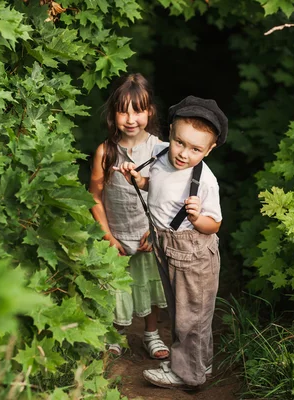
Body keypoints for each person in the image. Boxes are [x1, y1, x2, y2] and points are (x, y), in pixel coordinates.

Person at [115, 95, 227, 390]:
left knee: (192, 315)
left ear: (210, 149)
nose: (183, 153)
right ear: (171, 134)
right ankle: (197, 362)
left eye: (195, 149)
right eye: (180, 142)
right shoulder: (163, 155)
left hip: (193, 252)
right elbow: (156, 184)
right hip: (166, 244)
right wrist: (137, 180)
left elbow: (214, 224)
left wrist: (198, 216)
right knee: (183, 310)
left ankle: (187, 374)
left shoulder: (205, 182)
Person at [88, 73, 170, 360]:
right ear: (114, 114)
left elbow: (167, 198)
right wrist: (107, 235)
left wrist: (156, 229)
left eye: (138, 110)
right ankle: (115, 334)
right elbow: (95, 197)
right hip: (116, 237)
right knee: (115, 288)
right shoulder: (105, 151)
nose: (131, 118)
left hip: (148, 235)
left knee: (149, 285)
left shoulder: (161, 150)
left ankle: (151, 334)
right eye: (123, 111)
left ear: (150, 111)